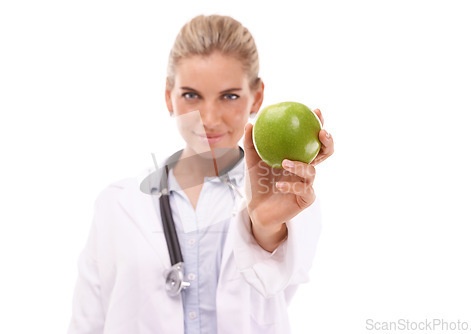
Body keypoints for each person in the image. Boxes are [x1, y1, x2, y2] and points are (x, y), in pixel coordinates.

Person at [68, 14, 334, 334]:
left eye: (230, 96)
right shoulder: (117, 205)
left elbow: (280, 274)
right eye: (192, 95)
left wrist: (265, 225)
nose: (208, 117)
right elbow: (88, 321)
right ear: (169, 95)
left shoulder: (289, 194)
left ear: (257, 97)